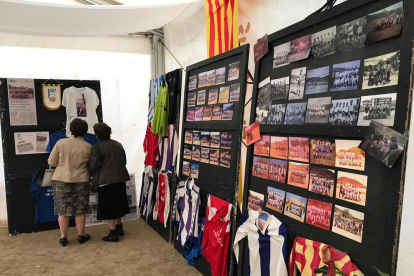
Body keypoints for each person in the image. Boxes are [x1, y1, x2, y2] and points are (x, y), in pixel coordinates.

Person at [48, 118, 92, 247]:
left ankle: (63, 237)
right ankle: (81, 235)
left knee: (63, 210)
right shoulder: (88, 147)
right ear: (85, 132)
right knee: (80, 210)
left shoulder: (60, 143)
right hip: (81, 180)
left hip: (62, 179)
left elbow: (51, 162)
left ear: (71, 130)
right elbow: (91, 165)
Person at [90, 123, 131, 242]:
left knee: (108, 206)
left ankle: (112, 233)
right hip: (120, 177)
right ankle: (119, 227)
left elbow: (93, 166)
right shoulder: (118, 144)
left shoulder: (96, 148)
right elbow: (124, 161)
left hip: (106, 180)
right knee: (118, 203)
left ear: (97, 135)